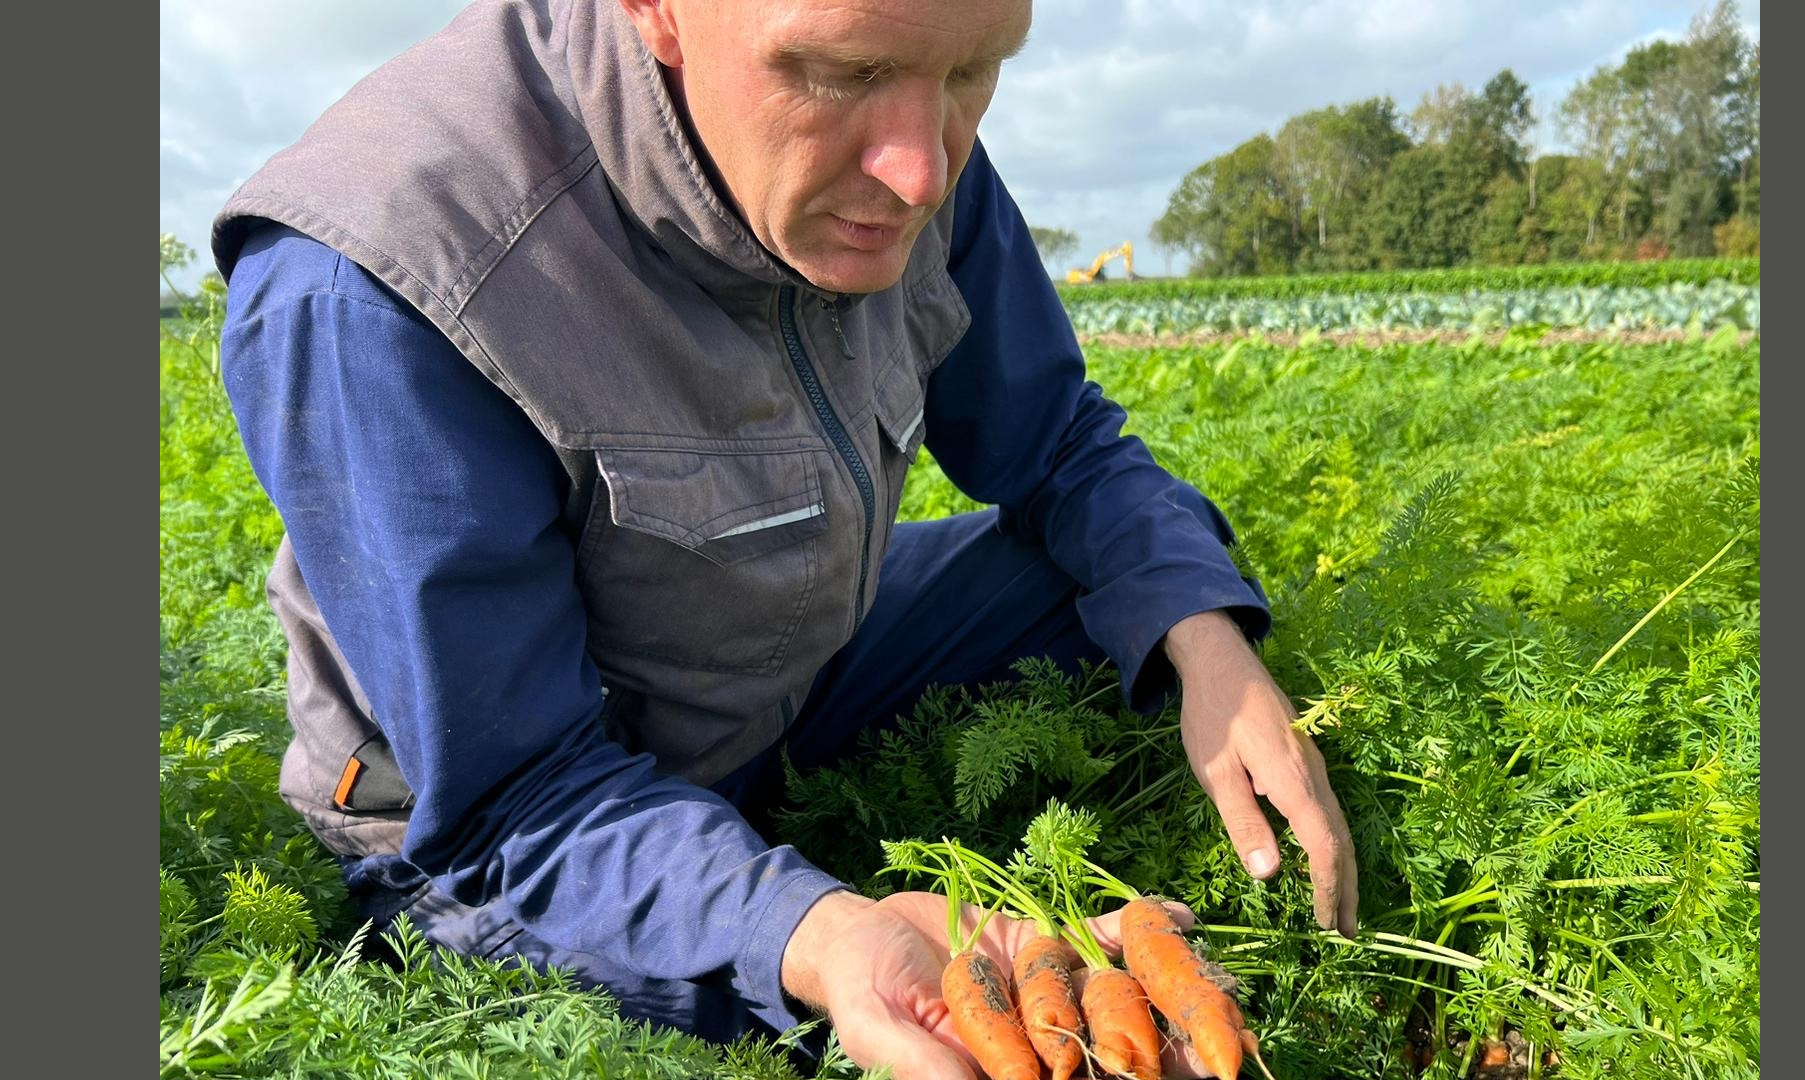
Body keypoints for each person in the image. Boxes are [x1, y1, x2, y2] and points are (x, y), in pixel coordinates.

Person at [211, 1, 1357, 1077]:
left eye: (975, 69)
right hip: (516, 808)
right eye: (838, 73)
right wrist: (816, 935)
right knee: (764, 985)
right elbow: (518, 797)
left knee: (1152, 568)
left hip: (787, 664)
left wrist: (1203, 640)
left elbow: (1056, 442)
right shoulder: (375, 279)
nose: (919, 170)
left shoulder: (911, 122)